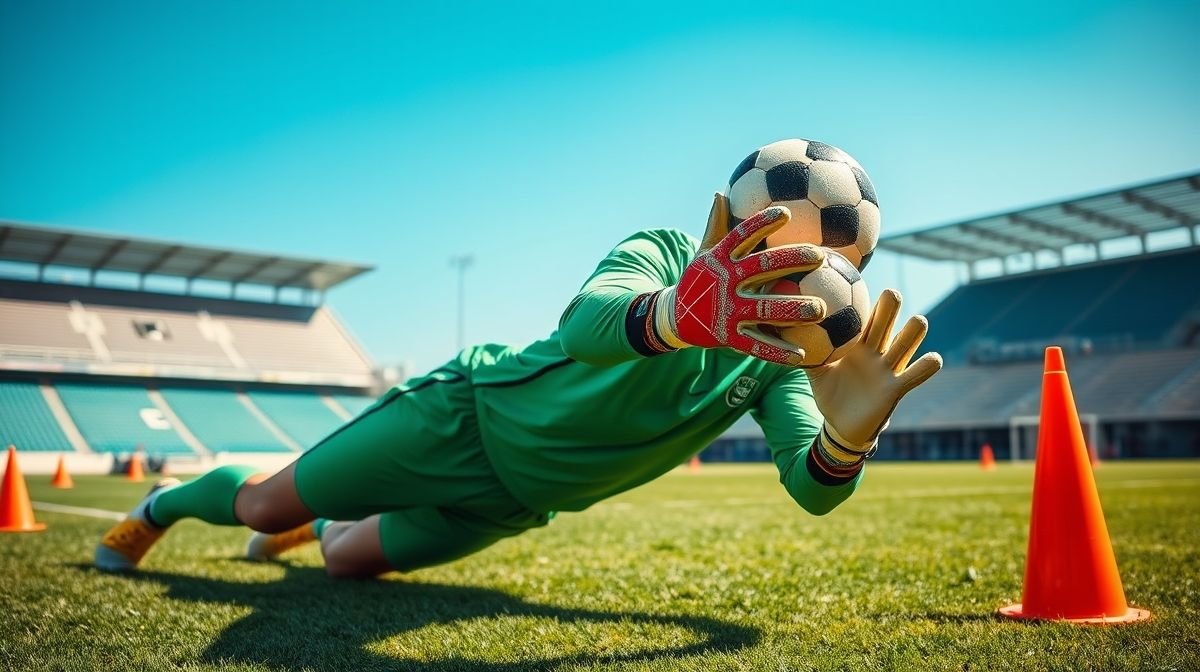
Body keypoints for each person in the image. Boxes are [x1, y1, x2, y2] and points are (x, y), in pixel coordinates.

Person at [95, 196, 942, 578]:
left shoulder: (779, 364)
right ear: (739, 218)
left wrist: (846, 441)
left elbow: (813, 489)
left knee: (342, 557)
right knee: (256, 511)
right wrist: (678, 318)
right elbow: (587, 325)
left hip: (517, 500)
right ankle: (162, 506)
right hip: (463, 417)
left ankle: (325, 518)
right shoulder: (664, 252)